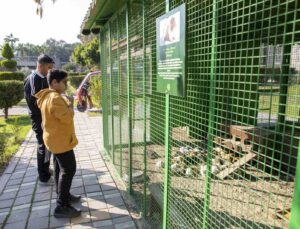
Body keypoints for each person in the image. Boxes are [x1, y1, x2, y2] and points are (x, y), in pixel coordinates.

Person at [35, 69, 81, 218]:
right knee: (69, 170)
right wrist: (70, 105)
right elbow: (67, 117)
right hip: (60, 141)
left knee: (60, 169)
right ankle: (62, 206)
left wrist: (65, 102)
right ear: (54, 82)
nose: (66, 85)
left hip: (54, 139)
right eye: (64, 82)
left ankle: (63, 195)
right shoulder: (54, 98)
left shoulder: (48, 95)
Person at [24, 54, 54, 184]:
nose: (50, 70)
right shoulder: (32, 79)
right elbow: (33, 103)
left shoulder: (45, 78)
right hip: (39, 119)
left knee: (49, 145)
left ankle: (45, 169)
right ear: (40, 66)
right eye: (49, 67)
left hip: (47, 118)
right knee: (43, 145)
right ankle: (43, 176)